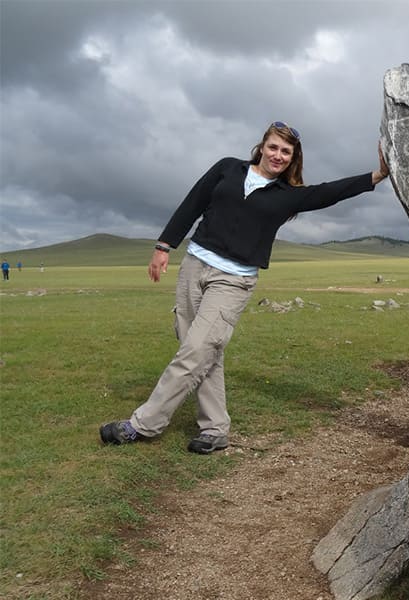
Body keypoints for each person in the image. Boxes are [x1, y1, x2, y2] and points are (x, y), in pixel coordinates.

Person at [100, 121, 390, 454]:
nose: (278, 155)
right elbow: (193, 203)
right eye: (273, 147)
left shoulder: (288, 196)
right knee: (202, 352)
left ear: (293, 158)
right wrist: (164, 246)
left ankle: (143, 424)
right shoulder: (227, 168)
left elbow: (330, 192)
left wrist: (377, 176)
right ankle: (214, 428)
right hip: (194, 267)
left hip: (233, 280)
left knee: (196, 351)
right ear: (261, 146)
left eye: (286, 151)